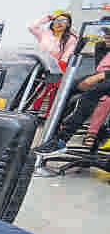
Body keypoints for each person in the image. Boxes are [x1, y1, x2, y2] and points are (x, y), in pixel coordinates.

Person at [35, 26, 110, 155]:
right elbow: (99, 68)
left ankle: (61, 140)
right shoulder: (101, 46)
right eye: (106, 34)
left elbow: (102, 74)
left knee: (92, 93)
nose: (106, 37)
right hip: (103, 78)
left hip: (104, 78)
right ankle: (53, 133)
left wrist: (100, 77)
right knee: (66, 89)